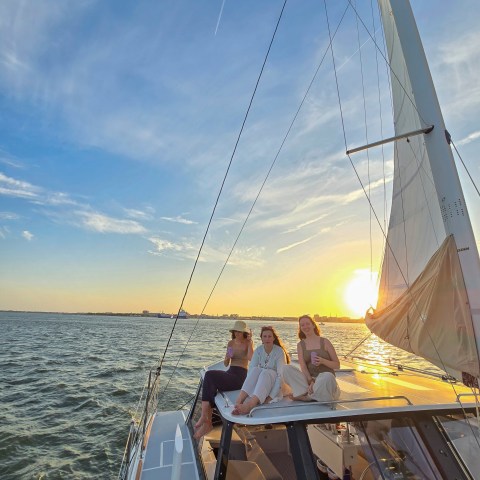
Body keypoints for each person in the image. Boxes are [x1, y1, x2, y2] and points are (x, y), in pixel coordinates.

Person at [194, 320, 253, 439]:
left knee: (210, 376)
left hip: (240, 376)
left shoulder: (248, 343)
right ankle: (207, 421)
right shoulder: (231, 343)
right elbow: (226, 364)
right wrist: (227, 357)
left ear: (244, 333)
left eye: (239, 332)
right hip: (230, 371)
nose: (237, 334)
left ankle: (205, 418)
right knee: (210, 383)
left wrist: (251, 343)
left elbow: (251, 358)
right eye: (235, 331)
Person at [232, 325, 290, 415]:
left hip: (273, 384)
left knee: (264, 372)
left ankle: (250, 405)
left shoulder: (278, 351)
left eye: (269, 336)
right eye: (265, 336)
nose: (267, 339)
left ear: (273, 338)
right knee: (255, 370)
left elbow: (281, 376)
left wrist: (271, 396)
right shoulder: (257, 350)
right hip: (236, 372)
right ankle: (238, 401)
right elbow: (249, 370)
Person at [283, 314, 340, 402]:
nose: (305, 326)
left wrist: (323, 361)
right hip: (310, 380)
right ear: (300, 328)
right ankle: (311, 393)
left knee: (327, 376)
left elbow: (337, 365)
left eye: (307, 324)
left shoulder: (325, 342)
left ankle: (307, 397)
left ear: (313, 325)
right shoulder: (300, 345)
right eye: (302, 325)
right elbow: (303, 367)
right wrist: (310, 381)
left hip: (325, 380)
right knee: (285, 368)